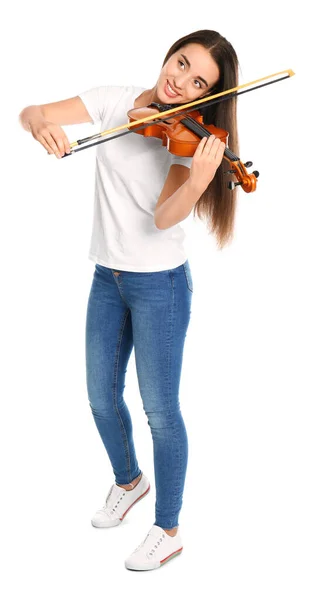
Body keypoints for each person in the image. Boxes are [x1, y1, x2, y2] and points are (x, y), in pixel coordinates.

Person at [18, 29, 240, 571]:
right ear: (169, 53)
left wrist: (199, 181)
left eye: (197, 83)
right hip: (107, 277)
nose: (180, 80)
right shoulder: (115, 101)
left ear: (206, 97)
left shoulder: (187, 142)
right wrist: (43, 126)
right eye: (181, 62)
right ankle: (129, 480)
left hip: (158, 285)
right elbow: (31, 110)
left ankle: (168, 528)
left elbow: (163, 218)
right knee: (99, 397)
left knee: (161, 412)